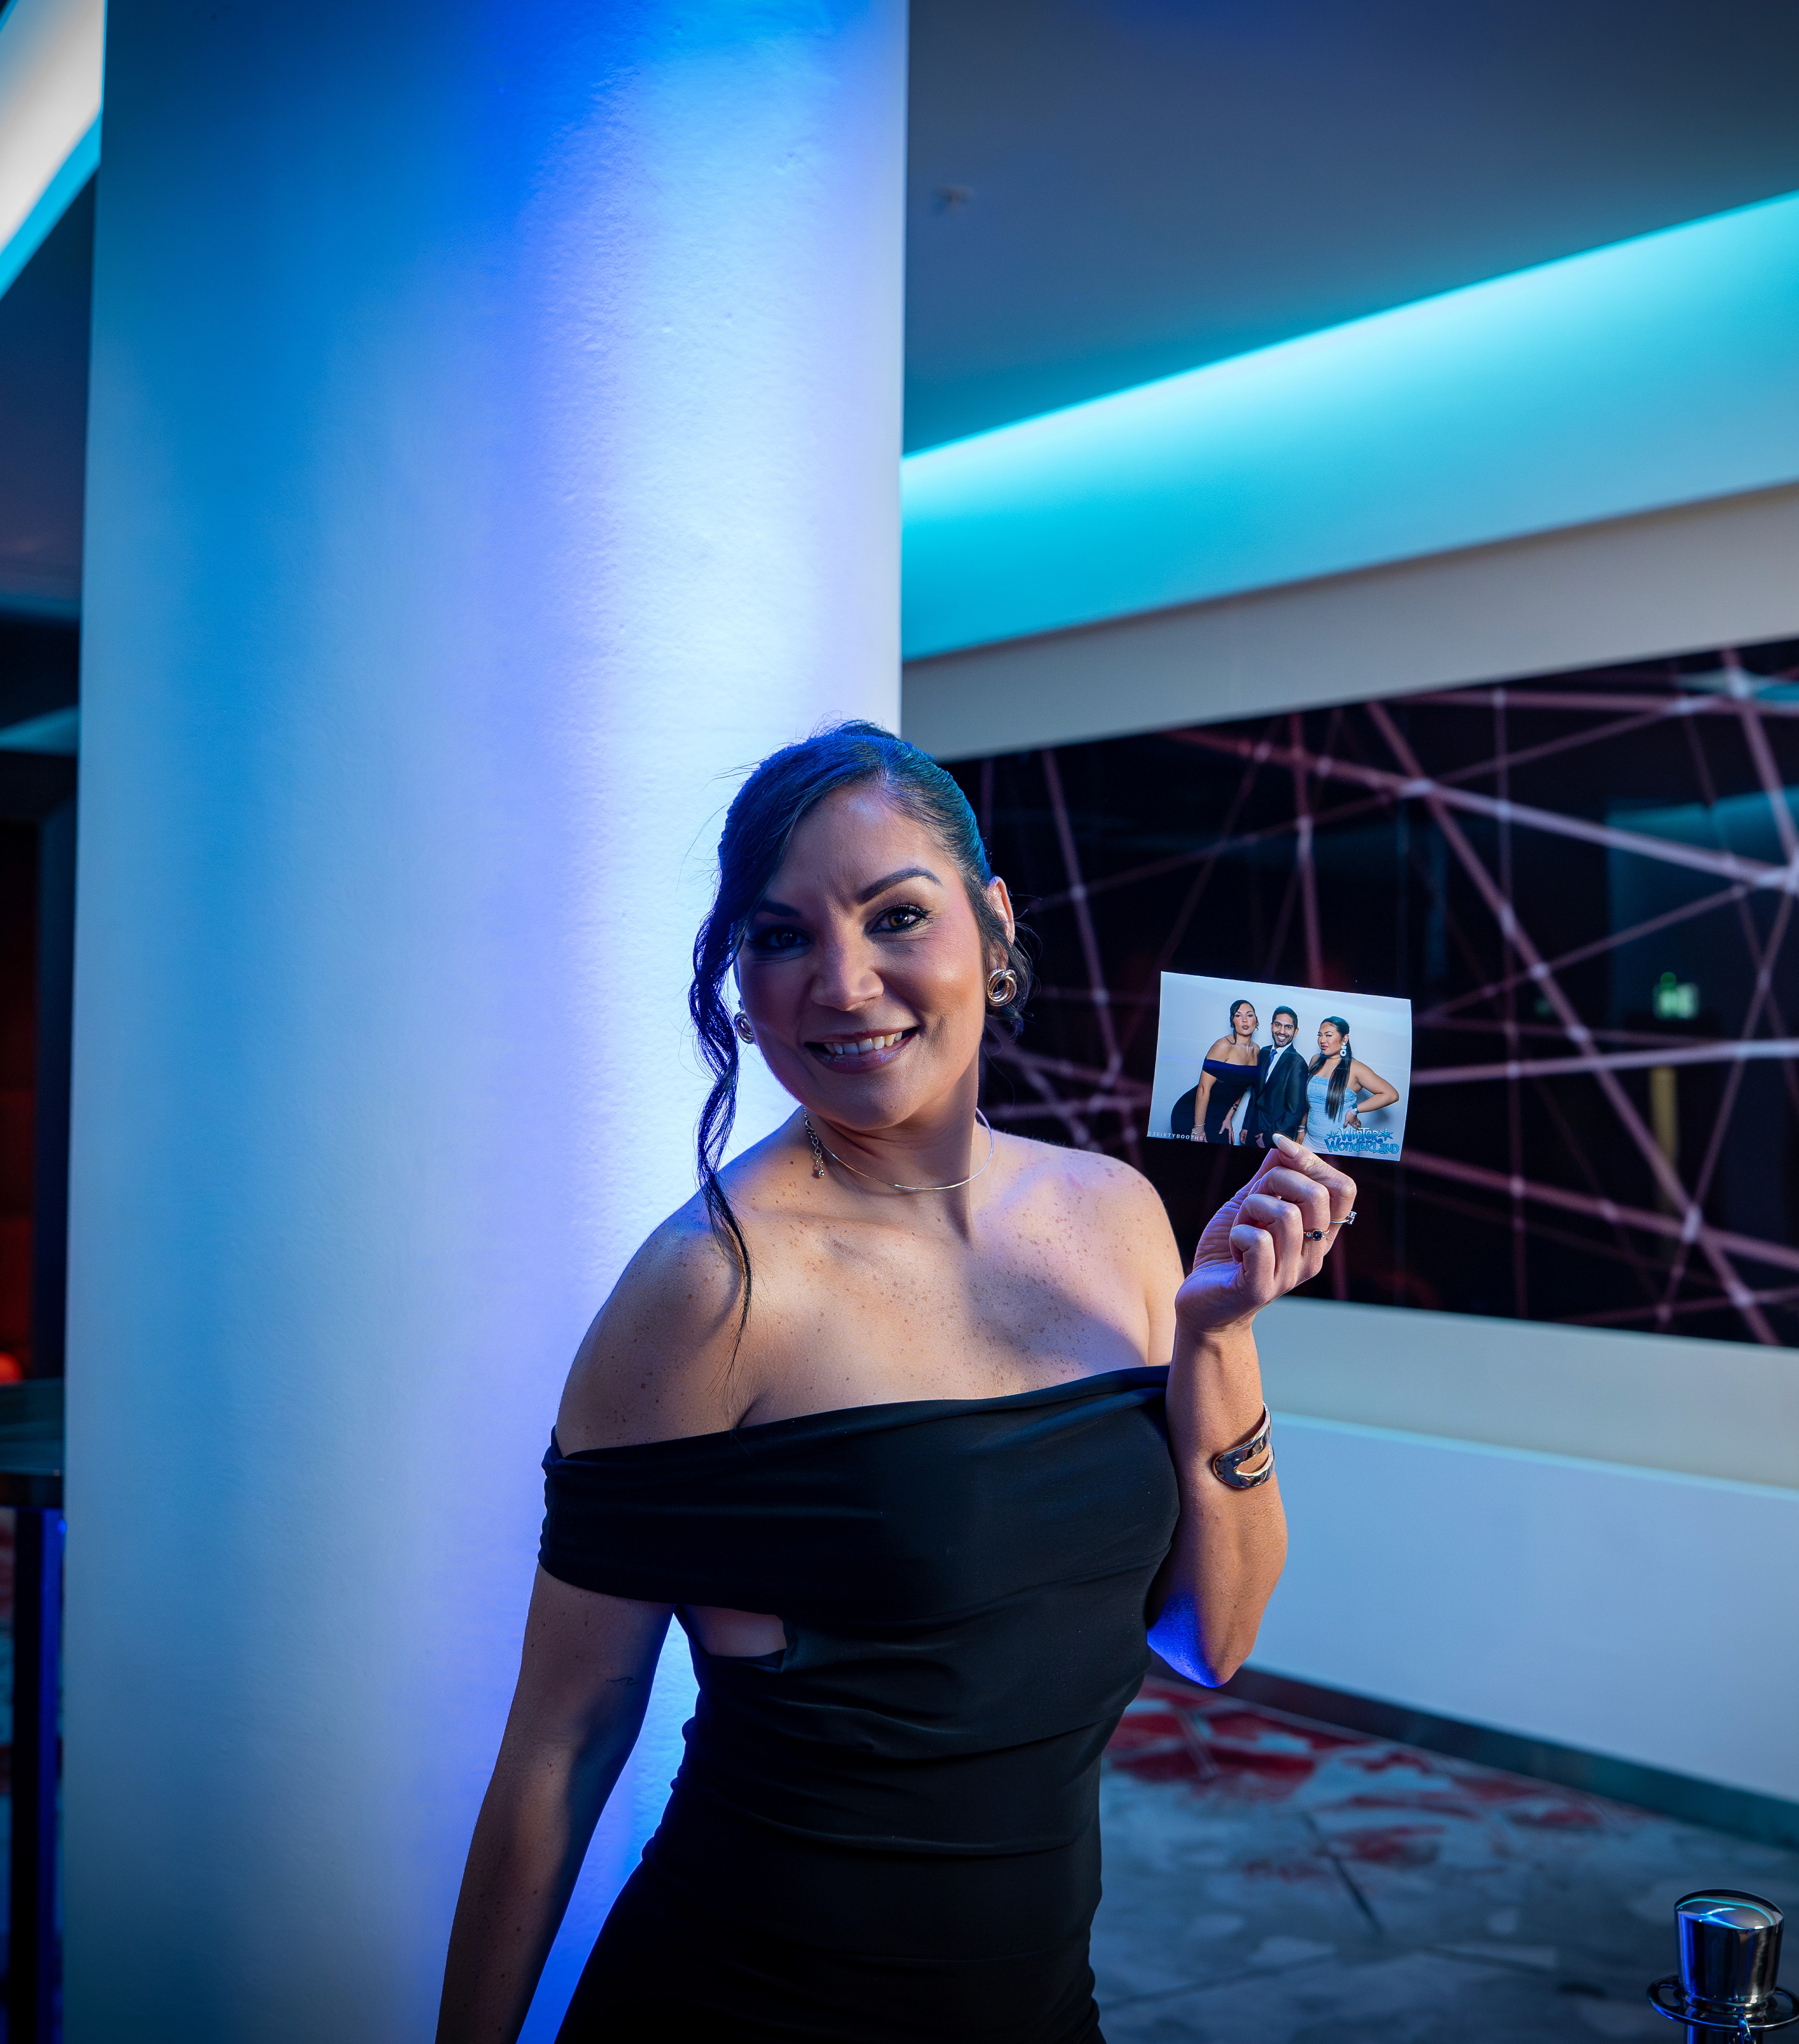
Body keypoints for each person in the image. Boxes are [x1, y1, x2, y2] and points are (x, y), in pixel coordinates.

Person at [439, 722, 1357, 2044]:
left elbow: (1210, 1639)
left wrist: (1217, 1337)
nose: (844, 982)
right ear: (741, 981)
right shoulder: (709, 1291)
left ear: (994, 927)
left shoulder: (1118, 1216)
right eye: (782, 936)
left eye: (896, 916)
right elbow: (562, 1741)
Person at [1299, 1016, 1401, 1154]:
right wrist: (1301, 1129)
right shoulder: (1316, 1060)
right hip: (1310, 1141)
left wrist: (1355, 1110)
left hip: (1340, 1146)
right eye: (1320, 1035)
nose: (1322, 1040)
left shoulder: (1356, 1068)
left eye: (1328, 1035)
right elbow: (1308, 1102)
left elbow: (1391, 1095)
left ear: (1345, 1039)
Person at [1164, 998, 1262, 1142]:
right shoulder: (1223, 1046)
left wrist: (1229, 1116)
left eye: (1249, 1015)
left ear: (1256, 1020)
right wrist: (1198, 1128)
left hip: (1220, 1115)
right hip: (1192, 1114)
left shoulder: (1257, 1050)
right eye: (1238, 1015)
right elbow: (1203, 1089)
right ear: (1232, 1022)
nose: (1245, 1020)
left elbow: (1242, 1085)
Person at [1244, 1005, 1312, 1149]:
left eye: (1288, 1027)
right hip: (1253, 1129)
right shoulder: (1264, 1053)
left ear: (1296, 1032)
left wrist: (1269, 1137)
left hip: (1274, 1137)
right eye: (1278, 1025)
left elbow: (1295, 1111)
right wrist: (1246, 1126)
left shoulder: (1298, 1064)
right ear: (1272, 1027)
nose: (1282, 1031)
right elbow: (1255, 1094)